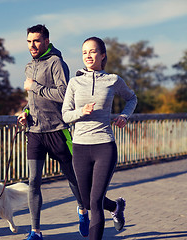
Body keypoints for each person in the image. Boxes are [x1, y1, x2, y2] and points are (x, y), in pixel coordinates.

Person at [17, 24, 89, 240]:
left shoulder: (56, 63)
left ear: (46, 41)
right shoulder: (29, 66)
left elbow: (64, 95)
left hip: (58, 130)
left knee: (74, 178)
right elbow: (33, 101)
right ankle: (36, 231)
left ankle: (83, 210)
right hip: (35, 132)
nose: (32, 45)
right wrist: (25, 112)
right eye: (29, 41)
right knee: (33, 182)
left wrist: (34, 86)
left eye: (37, 41)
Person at [62, 36, 138, 240]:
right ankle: (115, 206)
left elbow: (132, 98)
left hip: (104, 145)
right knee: (86, 202)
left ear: (102, 55)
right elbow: (65, 115)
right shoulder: (75, 82)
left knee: (95, 202)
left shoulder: (113, 80)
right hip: (80, 147)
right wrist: (81, 112)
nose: (88, 55)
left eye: (93, 51)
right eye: (84, 52)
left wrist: (124, 115)